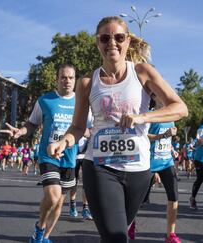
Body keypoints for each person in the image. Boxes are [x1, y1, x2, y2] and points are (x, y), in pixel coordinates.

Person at [47, 16, 188, 243]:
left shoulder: (142, 72)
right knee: (116, 237)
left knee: (116, 233)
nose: (112, 43)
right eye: (105, 38)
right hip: (100, 167)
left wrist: (142, 117)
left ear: (128, 41)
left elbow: (180, 108)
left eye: (118, 37)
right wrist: (64, 142)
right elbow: (77, 127)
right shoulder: (86, 83)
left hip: (139, 170)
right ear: (97, 43)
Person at [1, 63, 78, 243]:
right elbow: (32, 124)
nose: (67, 81)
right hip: (48, 155)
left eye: (71, 77)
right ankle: (39, 229)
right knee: (53, 196)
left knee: (59, 202)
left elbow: (87, 127)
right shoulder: (45, 100)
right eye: (63, 77)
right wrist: (21, 131)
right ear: (57, 79)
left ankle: (46, 237)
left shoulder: (82, 102)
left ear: (75, 80)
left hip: (69, 157)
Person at [146, 94, 181, 242]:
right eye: (161, 96)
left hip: (167, 162)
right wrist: (164, 135)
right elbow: (145, 135)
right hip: (149, 162)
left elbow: (168, 138)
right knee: (138, 199)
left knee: (174, 196)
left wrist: (172, 149)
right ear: (155, 97)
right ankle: (131, 224)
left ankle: (170, 235)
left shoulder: (170, 116)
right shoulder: (150, 115)